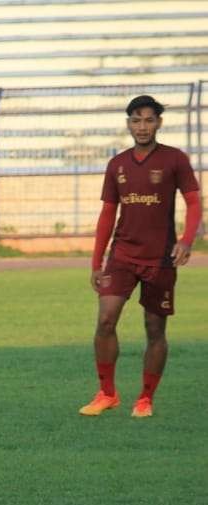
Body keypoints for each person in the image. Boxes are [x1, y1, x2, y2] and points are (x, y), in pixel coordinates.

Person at [80, 95, 201, 418]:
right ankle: (107, 393)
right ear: (128, 124)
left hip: (160, 258)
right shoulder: (116, 164)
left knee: (154, 329)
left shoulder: (175, 160)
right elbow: (107, 215)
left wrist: (186, 240)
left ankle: (145, 398)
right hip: (121, 255)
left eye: (149, 120)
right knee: (106, 319)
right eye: (136, 120)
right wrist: (96, 262)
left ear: (159, 122)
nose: (142, 126)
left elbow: (193, 203)